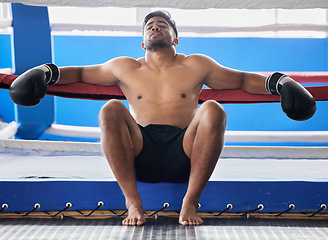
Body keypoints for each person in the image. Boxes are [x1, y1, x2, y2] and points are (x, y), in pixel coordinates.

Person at [9, 10, 316, 226]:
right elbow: (78, 73)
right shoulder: (124, 66)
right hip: (141, 151)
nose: (155, 27)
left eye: (162, 25)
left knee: (213, 109)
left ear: (175, 39)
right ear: (143, 42)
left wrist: (280, 82)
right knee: (111, 108)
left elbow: (241, 79)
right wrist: (43, 72)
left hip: (185, 152)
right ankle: (132, 200)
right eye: (150, 26)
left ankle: (191, 200)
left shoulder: (197, 64)